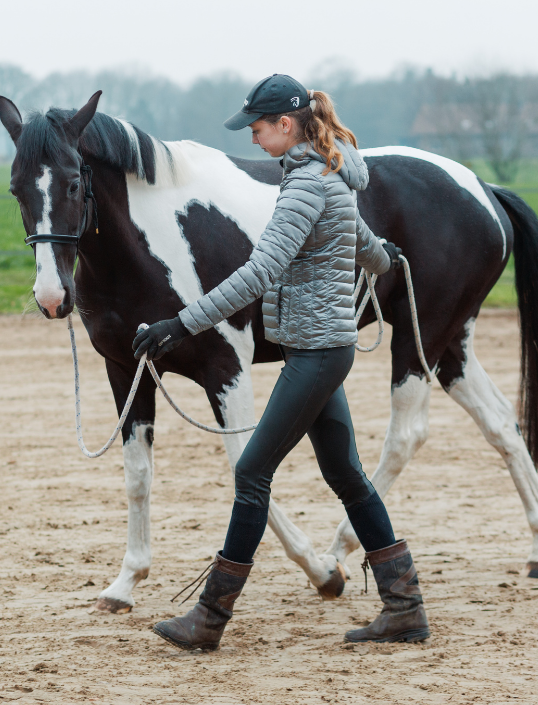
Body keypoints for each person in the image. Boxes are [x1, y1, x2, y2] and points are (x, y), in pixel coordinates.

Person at [132, 74, 430, 650]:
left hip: (315, 355)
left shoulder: (303, 188)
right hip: (322, 349)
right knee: (345, 474)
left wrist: (179, 324)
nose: (253, 138)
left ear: (287, 126)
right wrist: (384, 257)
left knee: (251, 474)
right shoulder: (329, 177)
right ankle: (405, 608)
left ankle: (209, 620)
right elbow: (364, 242)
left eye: (258, 127)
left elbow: (258, 272)